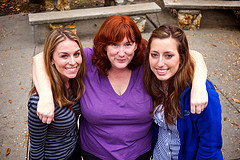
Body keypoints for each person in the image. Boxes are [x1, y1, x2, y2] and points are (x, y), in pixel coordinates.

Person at [32, 15, 208, 160]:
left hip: (140, 153)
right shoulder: (88, 60)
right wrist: (46, 97)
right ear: (104, 45)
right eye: (114, 44)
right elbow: (41, 57)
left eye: (128, 44)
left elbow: (192, 55)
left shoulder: (147, 59)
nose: (122, 53)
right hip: (94, 153)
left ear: (136, 45)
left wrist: (199, 85)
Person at [144, 24, 223, 160]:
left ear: (182, 57)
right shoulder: (153, 82)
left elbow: (210, 148)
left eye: (169, 56)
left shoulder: (202, 95)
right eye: (154, 55)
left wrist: (198, 83)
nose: (160, 63)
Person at [28, 28, 86, 160]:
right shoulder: (39, 102)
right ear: (51, 59)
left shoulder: (74, 83)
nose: (73, 62)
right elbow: (36, 148)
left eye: (76, 54)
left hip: (74, 152)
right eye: (64, 56)